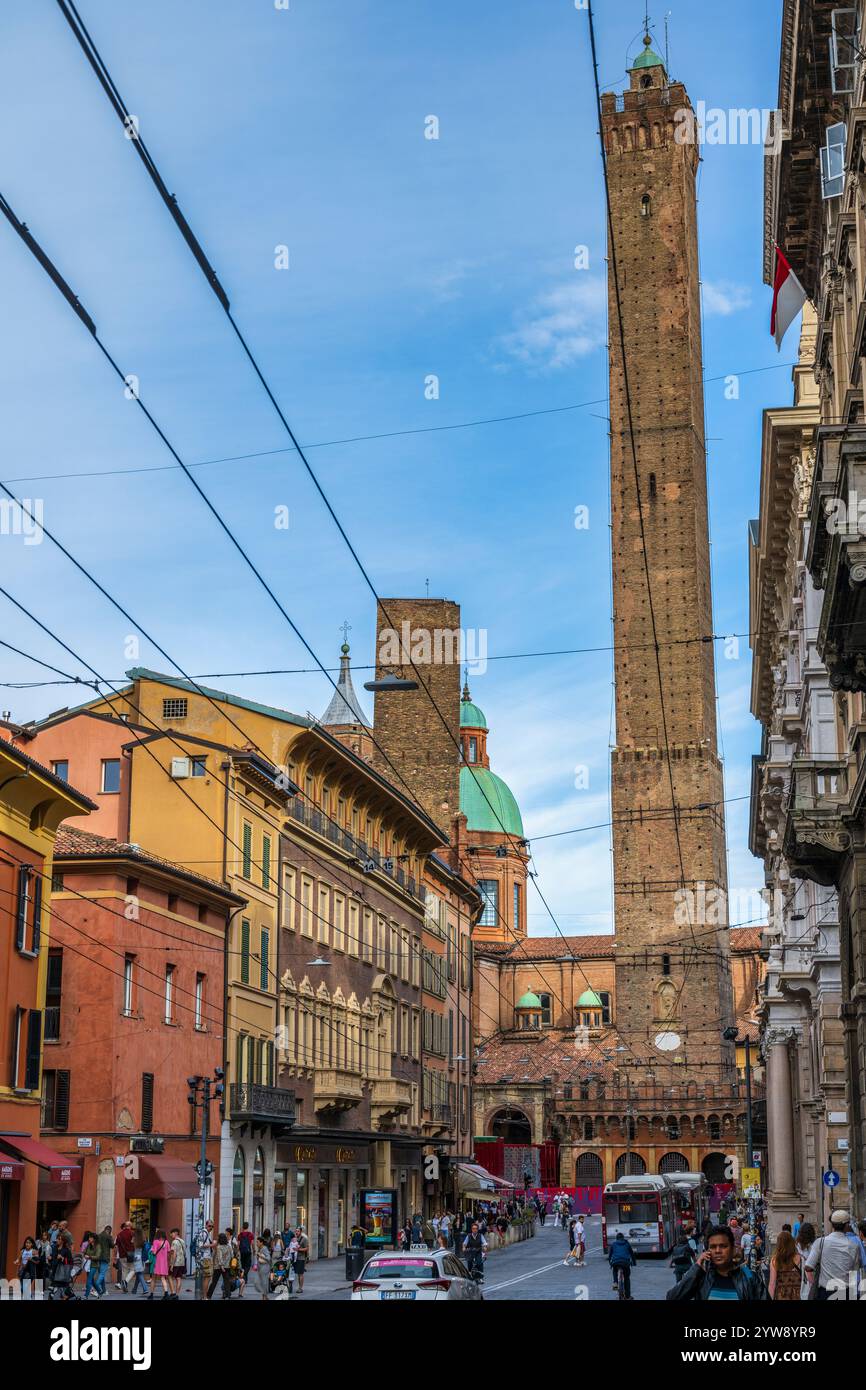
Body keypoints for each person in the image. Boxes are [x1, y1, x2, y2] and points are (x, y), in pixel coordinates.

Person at [667, 1226, 768, 1302]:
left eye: (723, 1246)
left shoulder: (749, 1277)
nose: (718, 1251)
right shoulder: (701, 1278)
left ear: (733, 1249)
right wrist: (696, 1267)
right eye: (713, 1247)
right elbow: (673, 1297)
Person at [805, 1210, 865, 1300]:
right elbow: (854, 1273)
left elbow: (808, 1267)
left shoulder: (820, 1242)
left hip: (825, 1293)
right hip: (845, 1293)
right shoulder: (853, 1246)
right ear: (846, 1225)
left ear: (832, 1225)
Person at [768, 1230, 801, 1301]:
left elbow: (772, 1284)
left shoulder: (775, 1260)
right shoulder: (799, 1258)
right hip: (797, 1295)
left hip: (781, 1295)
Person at [608, 1232, 637, 1299]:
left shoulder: (614, 1244)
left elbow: (610, 1255)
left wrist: (610, 1263)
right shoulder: (627, 1244)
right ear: (623, 1238)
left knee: (614, 1269)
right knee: (627, 1278)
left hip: (616, 1262)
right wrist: (634, 1263)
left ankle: (615, 1282)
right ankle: (627, 1296)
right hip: (625, 1262)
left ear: (616, 1238)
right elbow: (632, 1254)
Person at [146, 1228, 172, 1300]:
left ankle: (151, 1295)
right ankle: (166, 1293)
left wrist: (151, 1251)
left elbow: (154, 1252)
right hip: (164, 1263)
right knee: (163, 1278)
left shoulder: (155, 1242)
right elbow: (169, 1252)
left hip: (156, 1262)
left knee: (153, 1279)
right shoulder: (166, 1242)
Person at [207, 1232, 234, 1300]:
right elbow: (232, 1256)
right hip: (227, 1266)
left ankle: (208, 1296)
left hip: (218, 1267)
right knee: (226, 1282)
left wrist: (221, 1265)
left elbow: (219, 1257)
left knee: (214, 1282)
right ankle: (228, 1296)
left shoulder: (219, 1247)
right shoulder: (229, 1246)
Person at [127, 1227, 149, 1295]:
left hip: (136, 1257)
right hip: (141, 1257)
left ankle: (145, 1289)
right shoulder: (144, 1238)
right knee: (138, 1273)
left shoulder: (135, 1238)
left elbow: (131, 1243)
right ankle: (134, 1290)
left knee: (139, 1274)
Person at [115, 1221, 134, 1290]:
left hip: (122, 1255)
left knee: (124, 1270)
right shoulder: (132, 1233)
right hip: (130, 1255)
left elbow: (116, 1245)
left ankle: (124, 1286)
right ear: (129, 1226)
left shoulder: (119, 1234)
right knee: (133, 1269)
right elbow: (135, 1243)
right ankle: (125, 1282)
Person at [169, 1227, 187, 1299]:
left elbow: (174, 1254)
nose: (171, 1235)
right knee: (178, 1278)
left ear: (176, 1233)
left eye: (172, 1233)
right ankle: (177, 1294)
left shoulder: (174, 1242)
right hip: (182, 1262)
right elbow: (185, 1252)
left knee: (169, 1276)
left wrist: (172, 1265)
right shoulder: (182, 1241)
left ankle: (173, 1292)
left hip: (176, 1263)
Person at [253, 1231, 272, 1300]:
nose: (256, 1243)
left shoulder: (264, 1248)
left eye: (257, 1242)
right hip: (260, 1267)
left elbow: (268, 1258)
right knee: (259, 1282)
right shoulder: (260, 1248)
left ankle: (264, 1297)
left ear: (261, 1242)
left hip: (265, 1267)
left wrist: (260, 1255)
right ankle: (265, 1296)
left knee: (263, 1282)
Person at [294, 1227, 308, 1293]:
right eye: (296, 1231)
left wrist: (299, 1249)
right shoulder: (295, 1239)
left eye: (298, 1231)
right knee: (298, 1274)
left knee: (301, 1274)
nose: (297, 1232)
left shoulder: (304, 1239)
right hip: (295, 1258)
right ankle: (299, 1287)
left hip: (301, 1258)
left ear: (301, 1232)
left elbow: (306, 1248)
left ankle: (300, 1288)